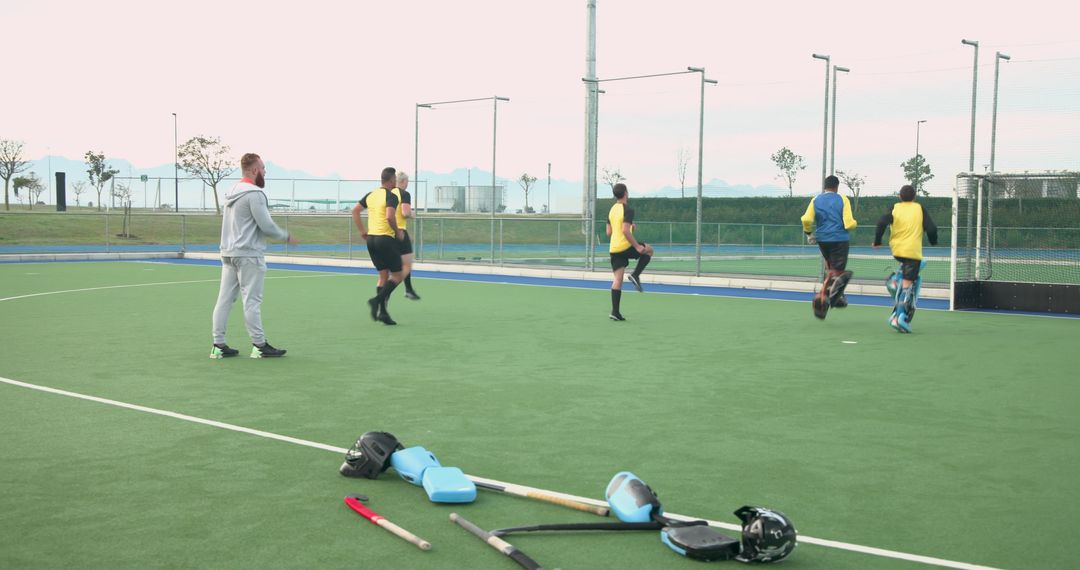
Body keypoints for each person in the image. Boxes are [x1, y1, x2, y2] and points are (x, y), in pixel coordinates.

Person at [211, 153, 297, 358]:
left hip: (228, 253)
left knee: (224, 300)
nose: (265, 172)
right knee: (252, 301)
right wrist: (286, 236)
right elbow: (266, 225)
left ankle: (218, 345)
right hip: (249, 254)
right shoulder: (255, 194)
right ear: (255, 170)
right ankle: (259, 346)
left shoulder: (231, 192)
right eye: (263, 168)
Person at [873, 184, 938, 333]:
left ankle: (897, 279)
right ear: (914, 197)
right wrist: (933, 241)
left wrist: (877, 241)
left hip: (896, 250)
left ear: (900, 197)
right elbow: (932, 228)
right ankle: (899, 317)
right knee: (909, 286)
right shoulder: (919, 209)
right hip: (912, 252)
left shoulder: (895, 207)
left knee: (911, 272)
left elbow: (882, 222)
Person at [801, 175, 857, 319]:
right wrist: (853, 224)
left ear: (824, 186)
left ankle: (838, 297)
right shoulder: (842, 199)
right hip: (839, 239)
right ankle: (821, 299)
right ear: (837, 187)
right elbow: (849, 223)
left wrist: (808, 233)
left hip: (822, 240)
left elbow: (806, 219)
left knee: (830, 267)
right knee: (838, 272)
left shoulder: (816, 200)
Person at [353, 167, 403, 325]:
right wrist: (397, 232)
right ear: (390, 181)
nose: (396, 181)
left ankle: (383, 313)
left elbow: (355, 211)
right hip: (385, 239)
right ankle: (377, 300)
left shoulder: (371, 195)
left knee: (383, 276)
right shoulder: (391, 195)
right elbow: (389, 216)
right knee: (398, 275)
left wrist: (362, 231)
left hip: (371, 240)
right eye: (394, 179)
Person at [606, 183, 653, 321]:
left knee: (617, 280)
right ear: (626, 193)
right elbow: (625, 231)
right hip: (625, 246)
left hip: (614, 249)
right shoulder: (628, 209)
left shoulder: (612, 210)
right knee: (649, 250)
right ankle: (635, 275)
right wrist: (637, 246)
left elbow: (609, 232)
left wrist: (630, 226)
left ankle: (615, 312)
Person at [392, 172, 420, 300]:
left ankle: (408, 289)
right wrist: (412, 214)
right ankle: (386, 292)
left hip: (387, 233)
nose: (407, 184)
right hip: (400, 232)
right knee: (407, 264)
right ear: (402, 181)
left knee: (394, 267)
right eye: (407, 182)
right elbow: (405, 212)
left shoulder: (389, 193)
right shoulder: (404, 194)